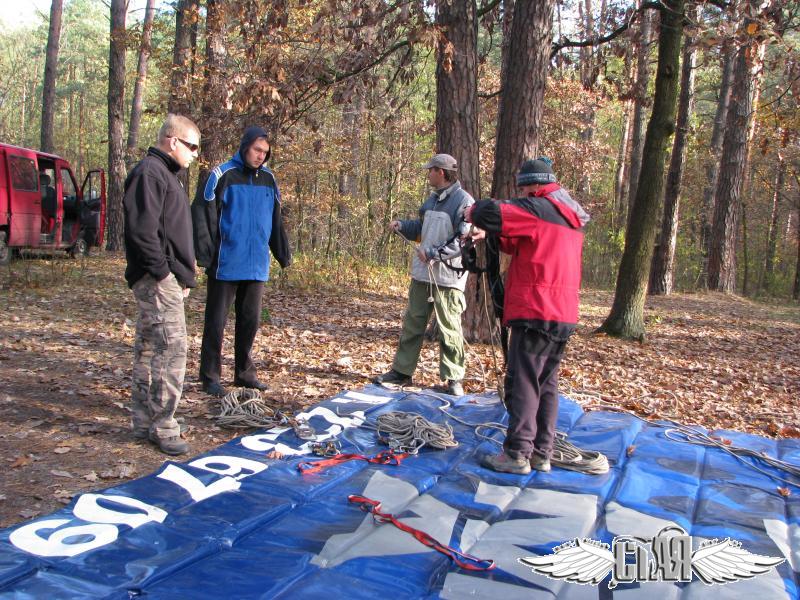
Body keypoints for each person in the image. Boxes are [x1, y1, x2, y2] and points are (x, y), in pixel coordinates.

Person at [466, 157, 590, 474]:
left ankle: (517, 453)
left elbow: (491, 211)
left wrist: (474, 213)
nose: (521, 192)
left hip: (536, 308)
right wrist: (490, 236)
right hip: (561, 312)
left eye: (523, 187)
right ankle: (541, 453)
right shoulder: (566, 215)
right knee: (545, 383)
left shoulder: (539, 207)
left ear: (534, 185)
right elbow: (528, 242)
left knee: (522, 382)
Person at [192, 126, 291, 398]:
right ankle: (210, 376)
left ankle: (244, 374)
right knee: (216, 322)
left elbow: (275, 219)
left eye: (265, 152)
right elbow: (203, 215)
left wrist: (282, 253)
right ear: (245, 146)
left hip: (256, 264)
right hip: (225, 262)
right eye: (257, 150)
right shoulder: (221, 175)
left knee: (250, 321)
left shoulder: (269, 180)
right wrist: (204, 256)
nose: (261, 156)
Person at [123, 114, 201, 456]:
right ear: (172, 140)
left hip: (165, 279)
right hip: (156, 280)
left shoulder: (165, 175)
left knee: (151, 348)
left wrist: (184, 273)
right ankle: (163, 425)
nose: (195, 154)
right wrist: (164, 274)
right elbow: (143, 232)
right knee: (170, 351)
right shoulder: (149, 173)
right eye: (192, 146)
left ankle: (144, 421)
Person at [373, 153, 474, 397]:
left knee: (450, 328)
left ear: (441, 172)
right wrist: (402, 225)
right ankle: (401, 372)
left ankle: (453, 378)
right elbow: (420, 229)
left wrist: (433, 253)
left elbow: (462, 240)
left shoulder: (464, 201)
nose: (428, 174)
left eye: (430, 170)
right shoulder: (431, 200)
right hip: (422, 275)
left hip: (449, 277)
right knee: (413, 324)